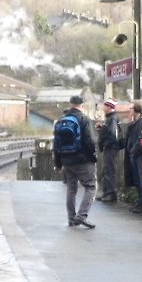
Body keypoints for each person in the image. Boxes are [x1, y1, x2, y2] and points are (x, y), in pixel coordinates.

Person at [52, 94, 97, 228]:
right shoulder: (84, 119)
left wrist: (58, 163)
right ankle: (81, 216)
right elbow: (89, 141)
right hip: (82, 160)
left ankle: (71, 218)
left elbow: (56, 144)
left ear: (70, 104)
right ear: (82, 105)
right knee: (91, 186)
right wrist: (93, 157)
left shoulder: (60, 121)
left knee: (71, 189)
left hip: (66, 160)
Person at [123, 102, 142, 212]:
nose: (129, 110)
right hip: (133, 156)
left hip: (140, 156)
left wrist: (133, 151)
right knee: (136, 179)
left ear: (136, 110)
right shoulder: (134, 123)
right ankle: (139, 201)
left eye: (131, 108)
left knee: (141, 179)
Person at [96, 99, 122, 201]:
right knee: (106, 169)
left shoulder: (112, 119)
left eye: (105, 106)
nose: (103, 107)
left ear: (109, 107)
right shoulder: (110, 118)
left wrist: (106, 143)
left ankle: (110, 193)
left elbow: (112, 134)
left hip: (110, 148)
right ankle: (106, 191)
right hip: (110, 147)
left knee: (109, 170)